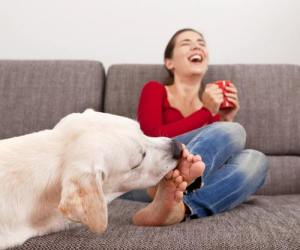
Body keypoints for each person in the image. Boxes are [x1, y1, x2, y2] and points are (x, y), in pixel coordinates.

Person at [121, 28, 268, 226]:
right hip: (146, 177)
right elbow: (150, 137)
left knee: (256, 160)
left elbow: (217, 164)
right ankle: (164, 184)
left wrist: (224, 118)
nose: (196, 45)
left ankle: (181, 208)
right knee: (234, 130)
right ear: (169, 62)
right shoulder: (155, 89)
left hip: (179, 186)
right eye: (186, 43)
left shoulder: (212, 111)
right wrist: (207, 114)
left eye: (201, 42)